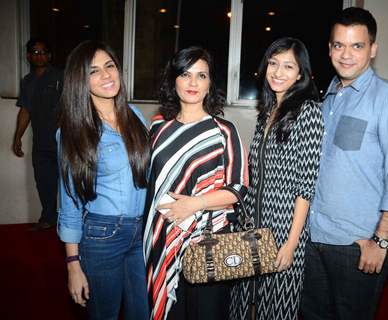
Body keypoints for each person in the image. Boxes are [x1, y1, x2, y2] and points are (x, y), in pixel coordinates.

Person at [301, 7, 388, 320]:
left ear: (373, 49)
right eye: (339, 45)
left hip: (358, 244)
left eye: (357, 45)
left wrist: (380, 241)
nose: (346, 54)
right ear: (329, 49)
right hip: (314, 240)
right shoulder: (325, 101)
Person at [142, 46, 248, 320]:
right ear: (173, 79)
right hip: (164, 239)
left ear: (210, 83)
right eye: (185, 74)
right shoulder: (157, 127)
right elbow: (149, 183)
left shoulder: (223, 130)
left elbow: (238, 188)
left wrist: (196, 203)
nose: (192, 83)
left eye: (201, 76)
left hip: (207, 241)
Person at [230, 37, 324, 320]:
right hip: (254, 225)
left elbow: (306, 186)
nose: (278, 72)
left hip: (284, 228)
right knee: (244, 302)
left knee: (277, 308)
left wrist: (292, 242)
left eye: (288, 66)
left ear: (300, 73)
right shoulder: (268, 113)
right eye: (273, 63)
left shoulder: (309, 113)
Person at [57, 40, 150, 320]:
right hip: (101, 235)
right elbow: (70, 202)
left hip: (141, 232)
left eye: (109, 66)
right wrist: (73, 265)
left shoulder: (134, 115)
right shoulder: (72, 132)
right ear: (80, 81)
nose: (106, 75)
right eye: (93, 71)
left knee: (141, 313)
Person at [12, 37, 63, 230]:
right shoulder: (27, 82)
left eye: (43, 52)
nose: (39, 55)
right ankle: (48, 218)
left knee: (69, 186)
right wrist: (17, 137)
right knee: (44, 183)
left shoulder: (61, 77)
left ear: (49, 55)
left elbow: (70, 105)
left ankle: (71, 223)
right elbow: (25, 110)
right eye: (35, 52)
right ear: (28, 56)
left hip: (62, 142)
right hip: (40, 144)